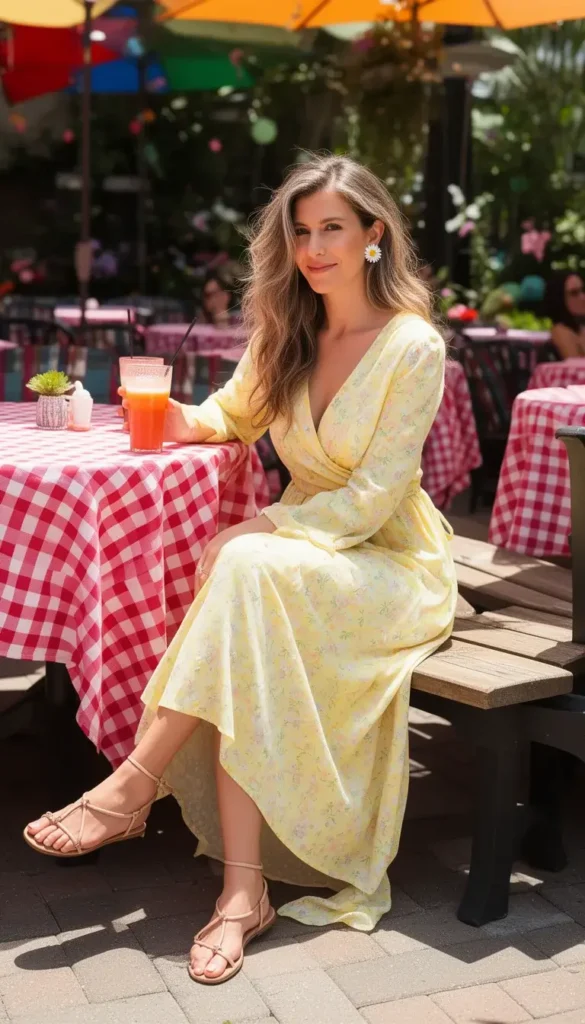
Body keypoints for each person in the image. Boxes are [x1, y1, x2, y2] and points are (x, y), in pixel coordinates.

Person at [24, 155, 457, 985]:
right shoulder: (287, 331)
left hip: (390, 563)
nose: (313, 248)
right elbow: (228, 414)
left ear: (373, 235)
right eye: (301, 231)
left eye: (332, 229)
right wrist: (144, 412)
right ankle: (239, 894)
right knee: (248, 596)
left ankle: (133, 785)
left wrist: (265, 523)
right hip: (293, 561)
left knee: (245, 566)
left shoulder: (412, 346)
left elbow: (372, 499)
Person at [546, 270, 585, 358]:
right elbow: (575, 364)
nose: (583, 297)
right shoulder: (561, 331)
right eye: (574, 293)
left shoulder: (580, 328)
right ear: (559, 298)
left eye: (583, 290)